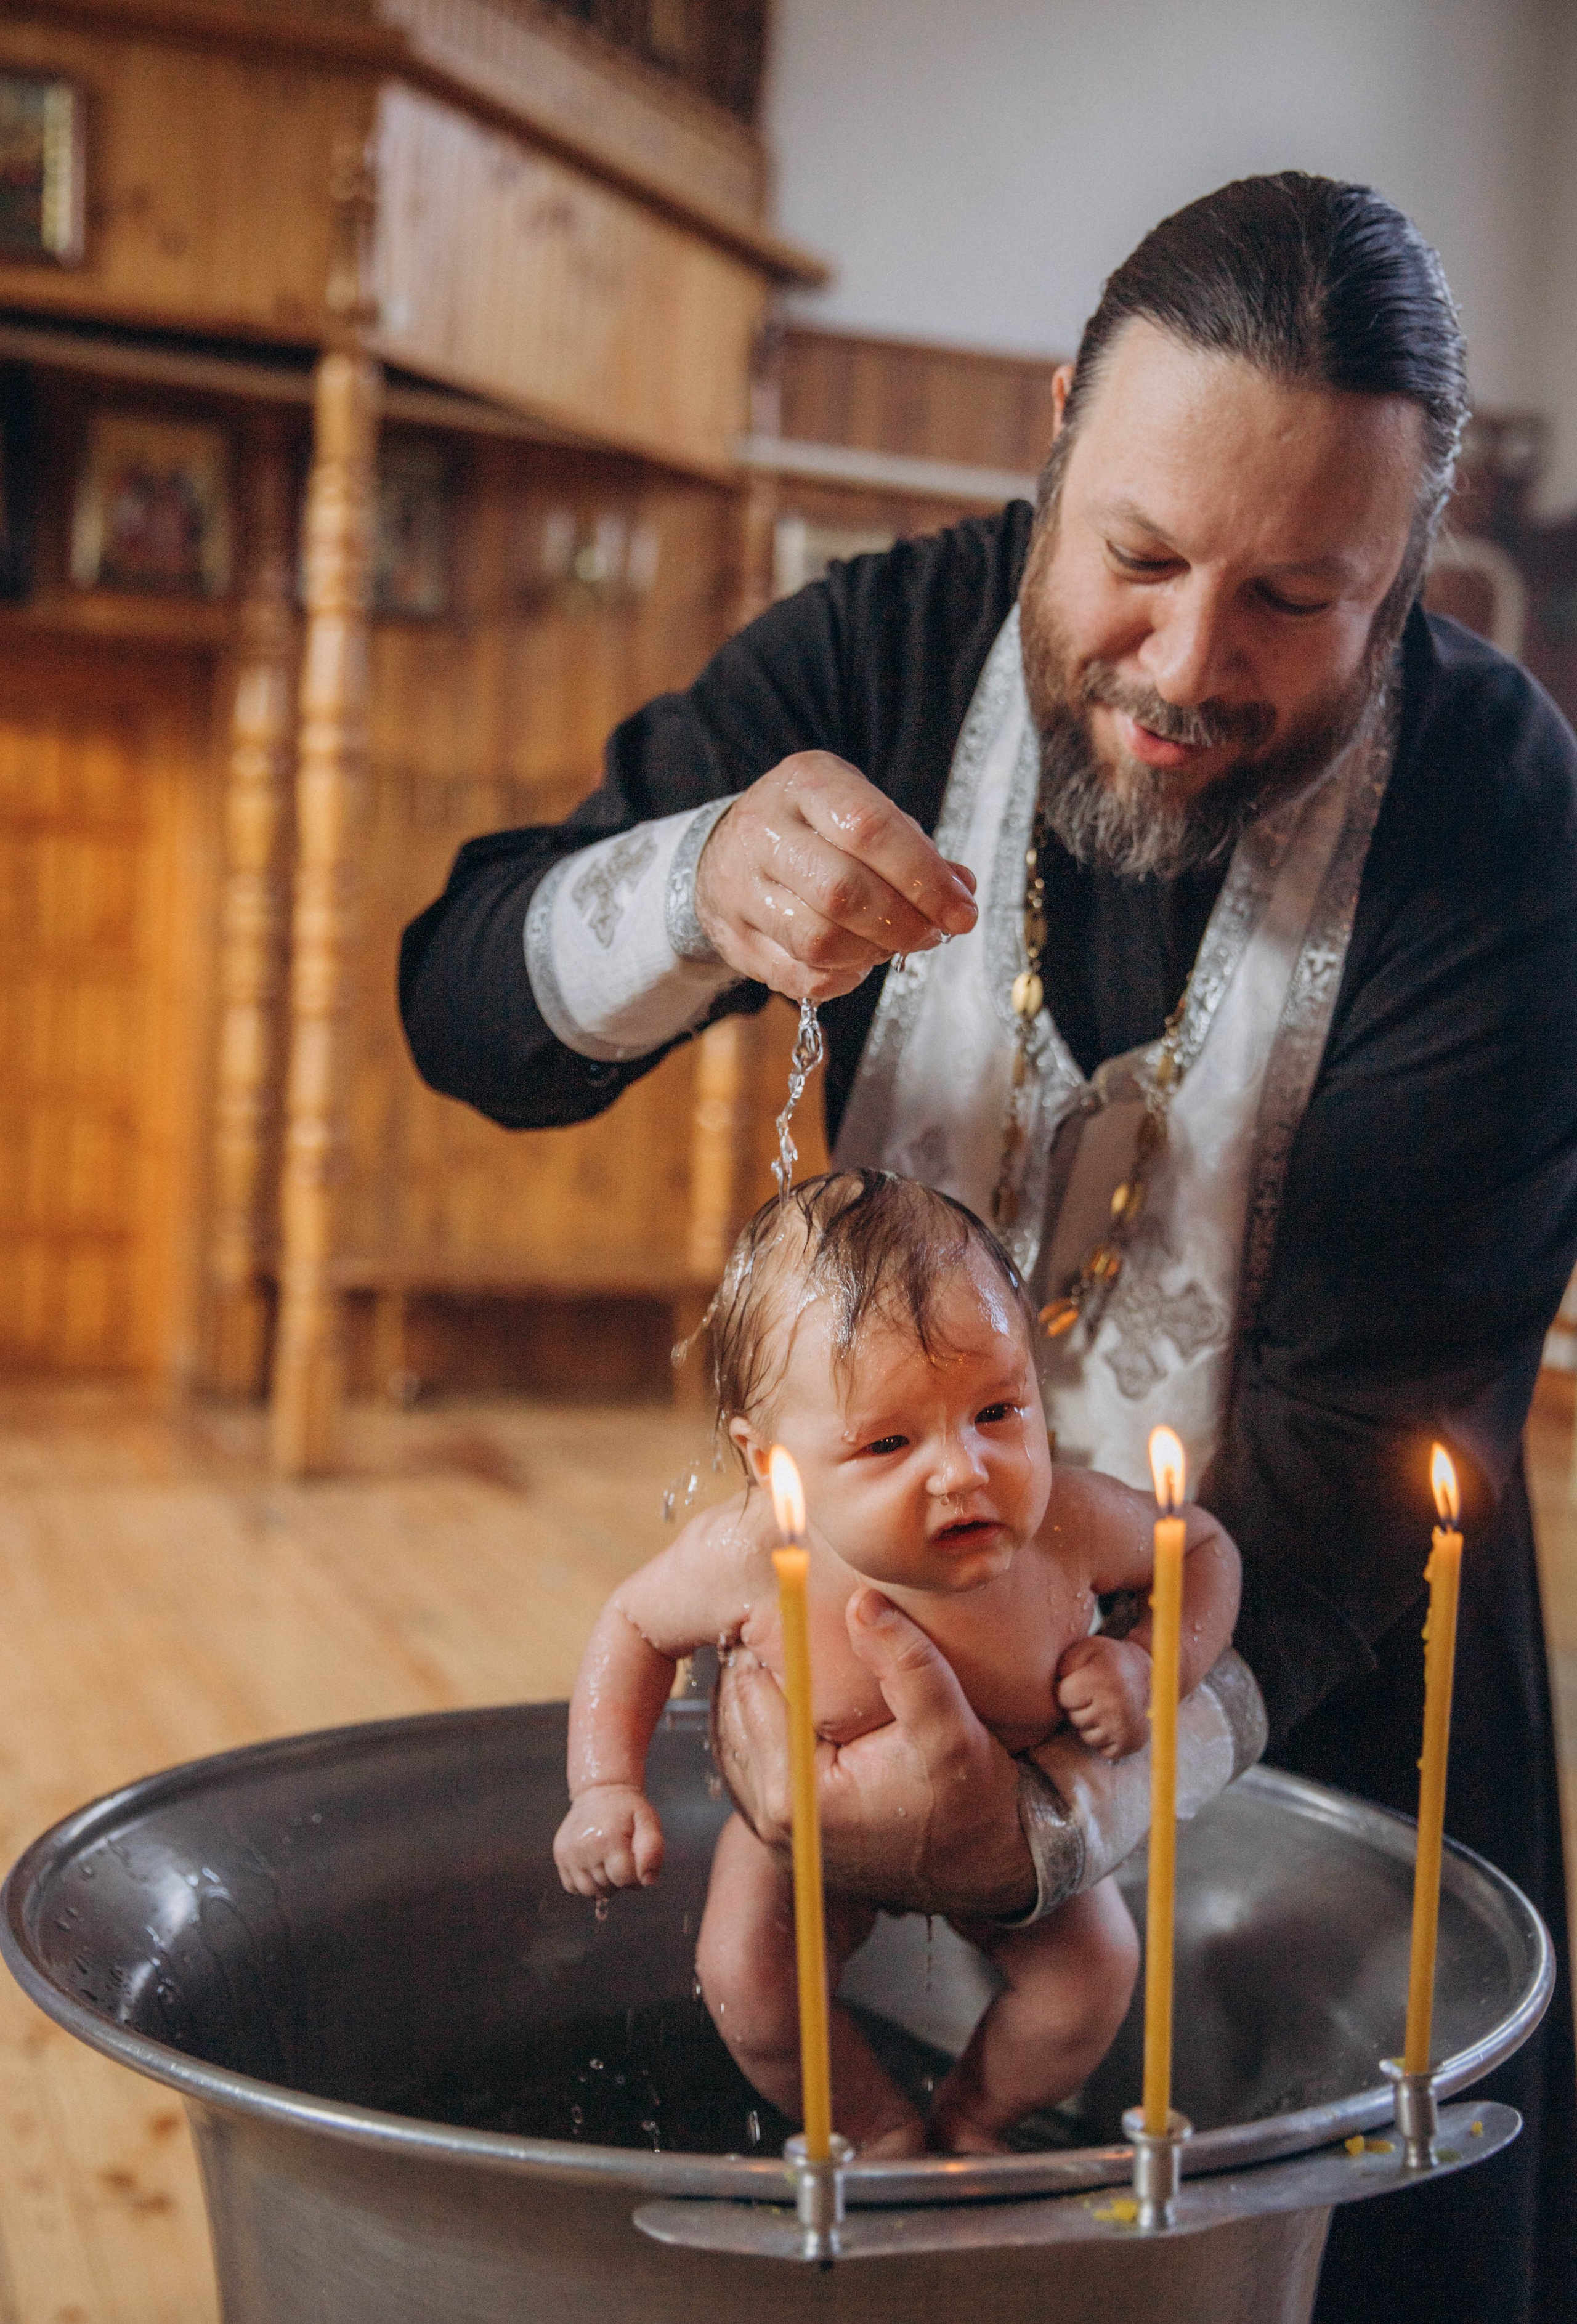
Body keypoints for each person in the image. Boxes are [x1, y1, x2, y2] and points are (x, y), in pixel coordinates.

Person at [401, 172, 1577, 2322]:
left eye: (1297, 598)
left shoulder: (1496, 809)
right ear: (1054, 435)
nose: (1188, 665)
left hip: (1299, 1737)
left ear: (1409, 570)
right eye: (1135, 556)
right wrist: (694, 888)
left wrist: (1057, 1813)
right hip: (835, 1709)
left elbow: (1330, 1476)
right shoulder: (886, 642)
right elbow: (463, 1009)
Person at [553, 1170, 1240, 2154]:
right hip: (804, 1847)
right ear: (765, 1460)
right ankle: (875, 2127)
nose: (964, 1469)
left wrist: (1148, 1664)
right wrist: (603, 1785)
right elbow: (631, 1624)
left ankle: (974, 2120)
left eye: (999, 1411)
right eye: (887, 1441)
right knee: (747, 1976)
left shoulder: (1072, 1525)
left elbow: (1206, 1550)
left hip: (1022, 1833)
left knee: (1093, 1978)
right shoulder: (745, 1550)